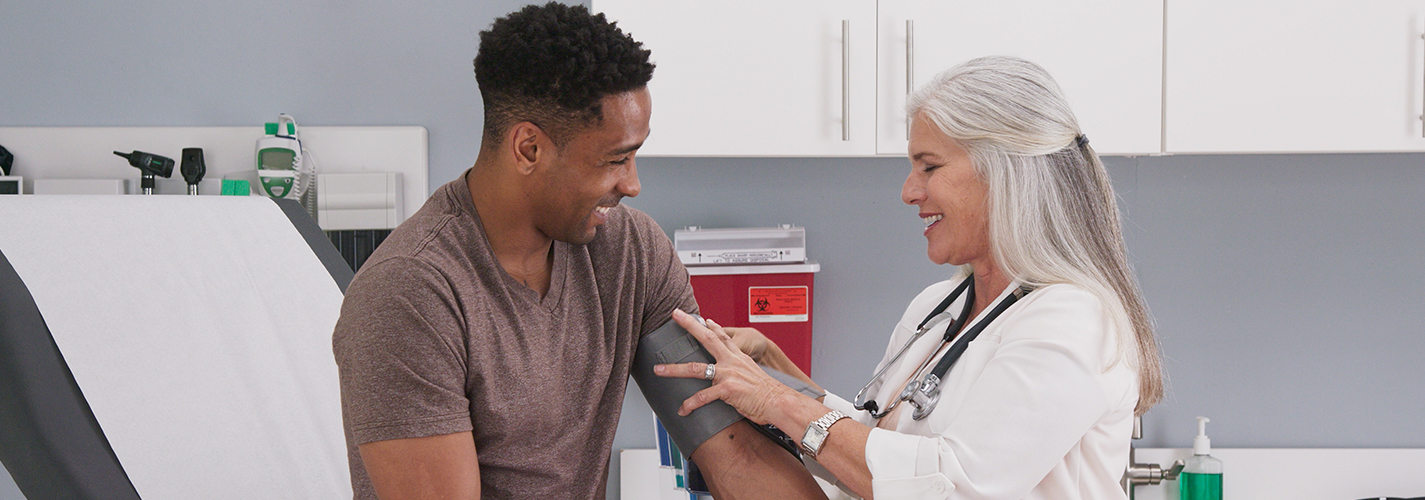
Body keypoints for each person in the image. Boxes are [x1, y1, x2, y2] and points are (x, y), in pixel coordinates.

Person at [331, 3, 824, 499]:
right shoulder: (408, 296)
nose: (632, 184)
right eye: (615, 159)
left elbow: (733, 451)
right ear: (528, 149)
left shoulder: (634, 254)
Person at [656, 55, 1166, 500]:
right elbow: (871, 452)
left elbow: (958, 484)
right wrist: (773, 370)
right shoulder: (936, 308)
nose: (908, 192)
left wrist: (776, 401)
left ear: (1004, 173)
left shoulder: (1074, 319)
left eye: (929, 167)